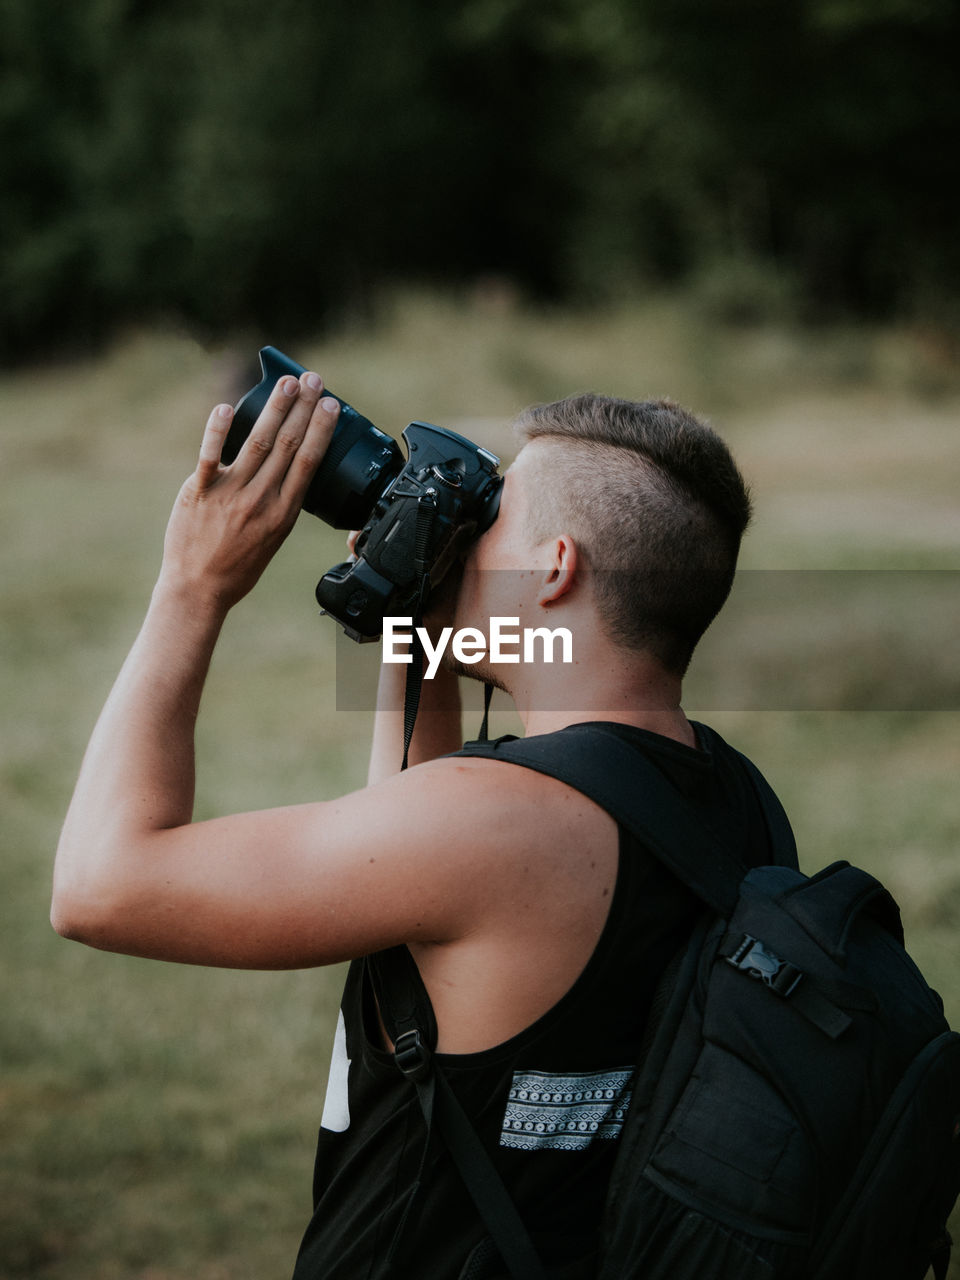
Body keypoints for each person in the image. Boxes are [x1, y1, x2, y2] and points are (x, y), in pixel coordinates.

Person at [52, 369, 776, 1279]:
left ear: (554, 569)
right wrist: (411, 609)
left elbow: (97, 886)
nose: (468, 530)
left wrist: (192, 587)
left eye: (496, 514)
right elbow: (440, 898)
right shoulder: (733, 800)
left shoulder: (499, 825)